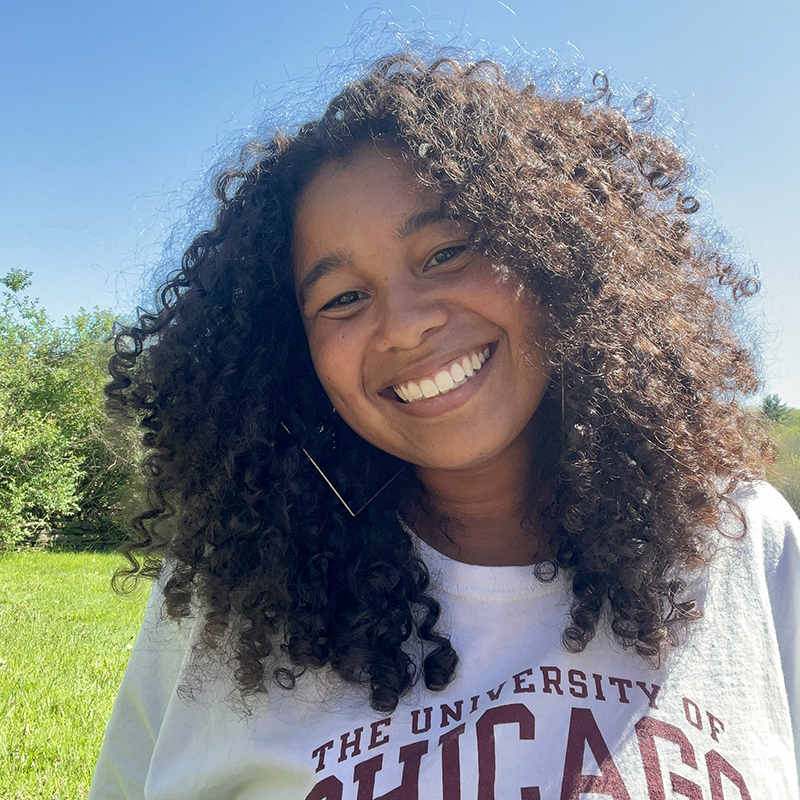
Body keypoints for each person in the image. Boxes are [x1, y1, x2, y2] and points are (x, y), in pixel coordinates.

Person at [89, 50, 800, 799]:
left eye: (448, 251)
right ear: (292, 357)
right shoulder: (222, 599)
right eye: (340, 299)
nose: (404, 326)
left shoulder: (747, 542)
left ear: (556, 255)